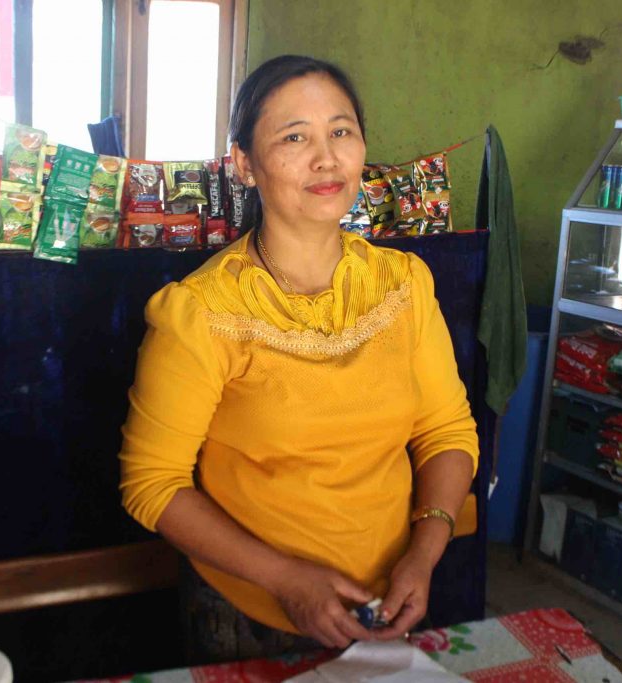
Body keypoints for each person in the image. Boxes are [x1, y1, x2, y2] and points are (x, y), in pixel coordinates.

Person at [118, 54, 479, 664]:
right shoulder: (202, 313)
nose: (326, 158)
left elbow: (446, 431)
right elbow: (152, 484)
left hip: (388, 597)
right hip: (249, 613)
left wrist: (425, 551)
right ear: (244, 164)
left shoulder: (403, 284)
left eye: (341, 131)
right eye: (294, 137)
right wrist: (287, 578)